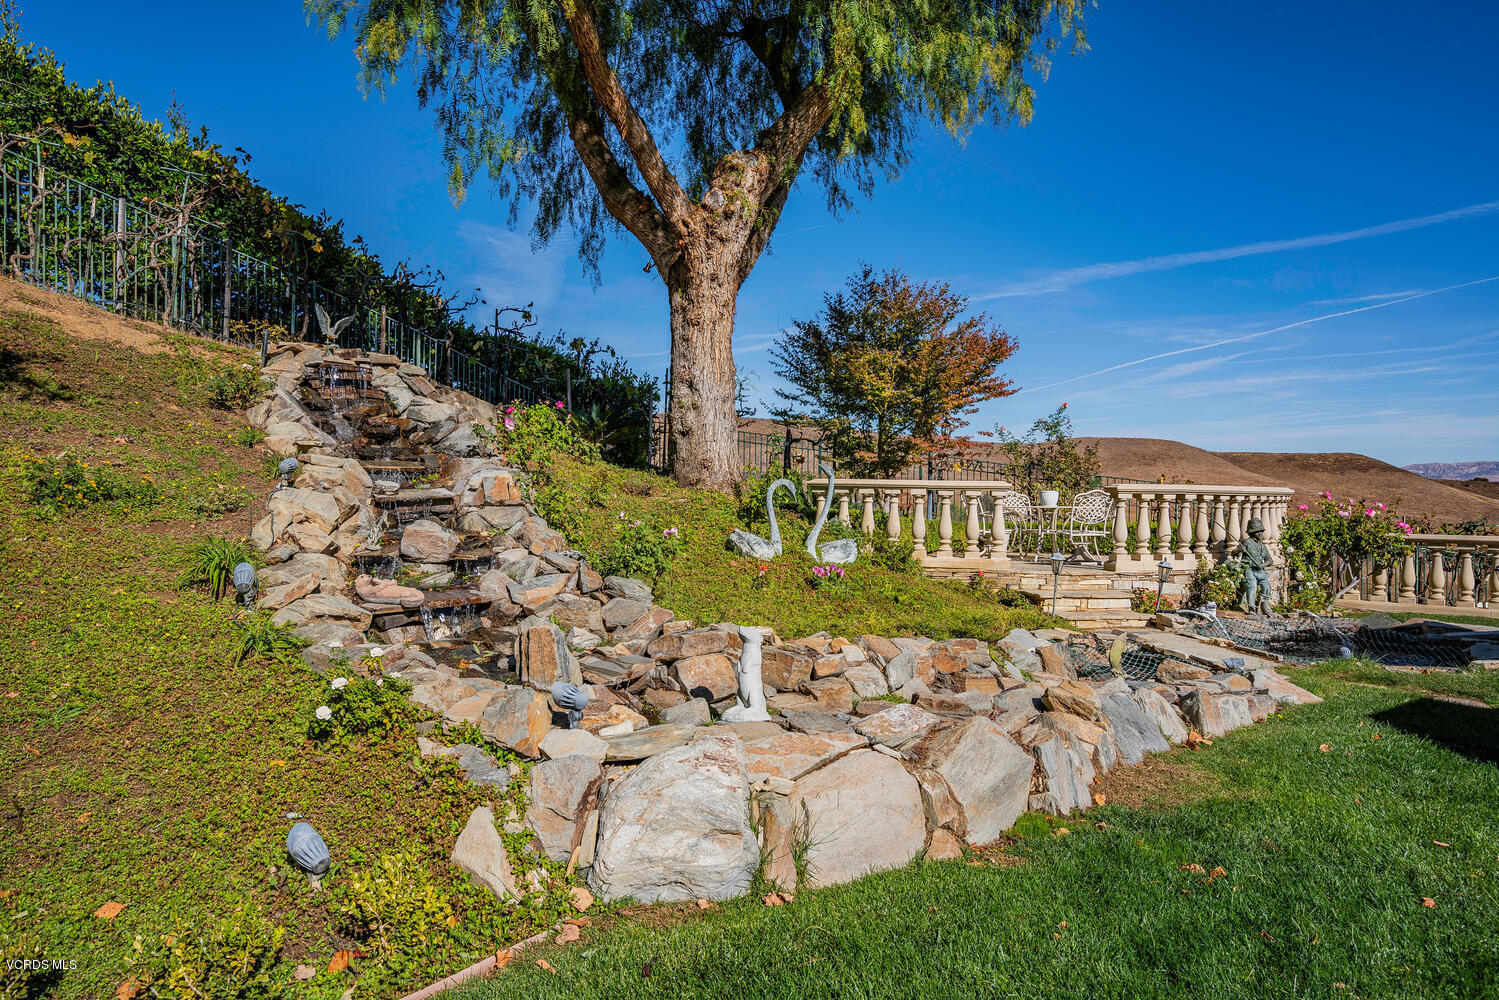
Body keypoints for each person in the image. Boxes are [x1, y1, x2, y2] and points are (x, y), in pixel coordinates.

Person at [1238, 517, 1274, 615]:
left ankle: (1264, 605)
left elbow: (1270, 560)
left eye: (1261, 531)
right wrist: (1239, 550)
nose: (1260, 533)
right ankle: (1251, 608)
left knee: (1266, 586)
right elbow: (1234, 553)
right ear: (1252, 532)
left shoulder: (1262, 545)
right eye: (1257, 532)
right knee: (1252, 586)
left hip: (1260, 569)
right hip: (1249, 569)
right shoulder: (1246, 542)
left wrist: (1263, 565)